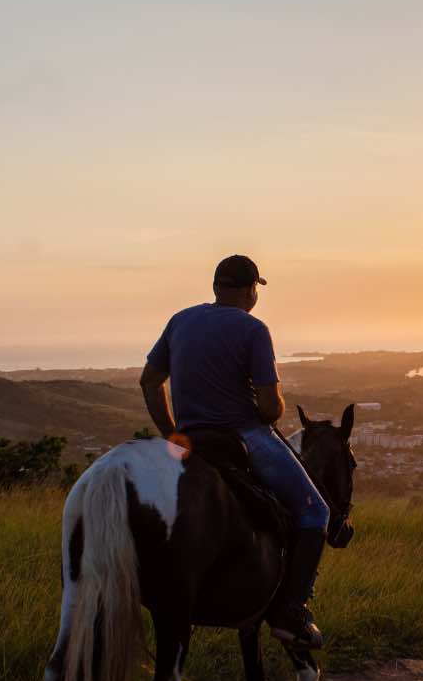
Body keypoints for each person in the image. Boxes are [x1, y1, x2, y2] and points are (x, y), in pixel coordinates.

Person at [139, 254, 328, 649]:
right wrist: (272, 401)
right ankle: (289, 611)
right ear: (249, 291)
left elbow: (149, 381)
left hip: (192, 438)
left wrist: (173, 434)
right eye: (255, 288)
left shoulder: (180, 320)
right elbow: (268, 409)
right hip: (245, 436)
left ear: (214, 287)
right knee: (315, 511)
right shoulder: (254, 329)